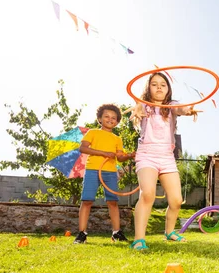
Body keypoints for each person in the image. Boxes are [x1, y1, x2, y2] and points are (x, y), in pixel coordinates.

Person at [128, 72, 199, 251]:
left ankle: (169, 232)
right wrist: (137, 108)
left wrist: (188, 110)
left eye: (163, 84)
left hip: (167, 157)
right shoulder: (145, 104)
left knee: (176, 200)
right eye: (154, 84)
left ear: (168, 89)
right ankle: (138, 239)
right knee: (148, 194)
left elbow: (181, 109)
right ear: (148, 88)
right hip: (146, 155)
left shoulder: (172, 105)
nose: (159, 87)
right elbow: (138, 107)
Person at [74, 104, 135, 244]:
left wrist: (130, 155)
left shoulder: (117, 139)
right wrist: (103, 153)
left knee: (112, 202)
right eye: (106, 116)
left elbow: (119, 157)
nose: (110, 119)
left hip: (110, 172)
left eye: (114, 118)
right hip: (92, 170)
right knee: (87, 201)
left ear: (117, 121)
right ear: (100, 119)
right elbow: (82, 148)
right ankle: (82, 233)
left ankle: (116, 232)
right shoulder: (93, 132)